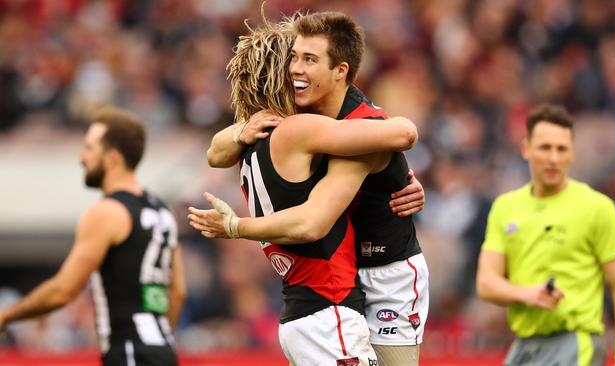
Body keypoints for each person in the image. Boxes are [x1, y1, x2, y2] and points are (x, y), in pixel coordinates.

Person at [192, 11, 429, 366]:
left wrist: (235, 227)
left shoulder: (356, 127)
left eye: (309, 60)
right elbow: (215, 152)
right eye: (293, 58)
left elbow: (405, 133)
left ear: (340, 71)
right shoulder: (292, 125)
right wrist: (240, 129)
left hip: (386, 272)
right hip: (334, 289)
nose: (295, 69)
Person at [0, 107, 186, 366]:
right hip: (162, 351)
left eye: (89, 148)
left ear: (112, 158)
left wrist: (6, 316)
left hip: (129, 351)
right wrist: (158, 338)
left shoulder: (106, 212)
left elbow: (63, 291)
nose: (81, 157)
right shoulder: (162, 211)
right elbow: (177, 292)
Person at [476, 104, 615, 366]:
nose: (553, 158)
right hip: (525, 345)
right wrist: (528, 294)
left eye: (561, 149)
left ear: (572, 153)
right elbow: (486, 283)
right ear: (526, 149)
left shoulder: (597, 207)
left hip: (576, 342)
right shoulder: (506, 207)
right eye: (545, 147)